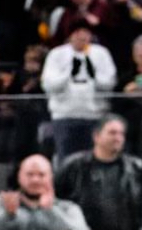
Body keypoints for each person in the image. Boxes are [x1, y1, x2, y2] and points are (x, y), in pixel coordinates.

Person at [56, 114, 142, 230]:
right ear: (96, 136)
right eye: (112, 133)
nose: (118, 138)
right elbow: (57, 202)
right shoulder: (74, 166)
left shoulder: (137, 169)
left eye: (121, 133)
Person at [41, 24, 117, 163]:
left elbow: (110, 84)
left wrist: (94, 76)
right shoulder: (57, 54)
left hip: (94, 115)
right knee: (66, 159)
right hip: (65, 116)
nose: (82, 37)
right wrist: (69, 74)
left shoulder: (101, 53)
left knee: (94, 158)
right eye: (77, 32)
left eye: (85, 32)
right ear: (70, 35)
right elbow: (48, 85)